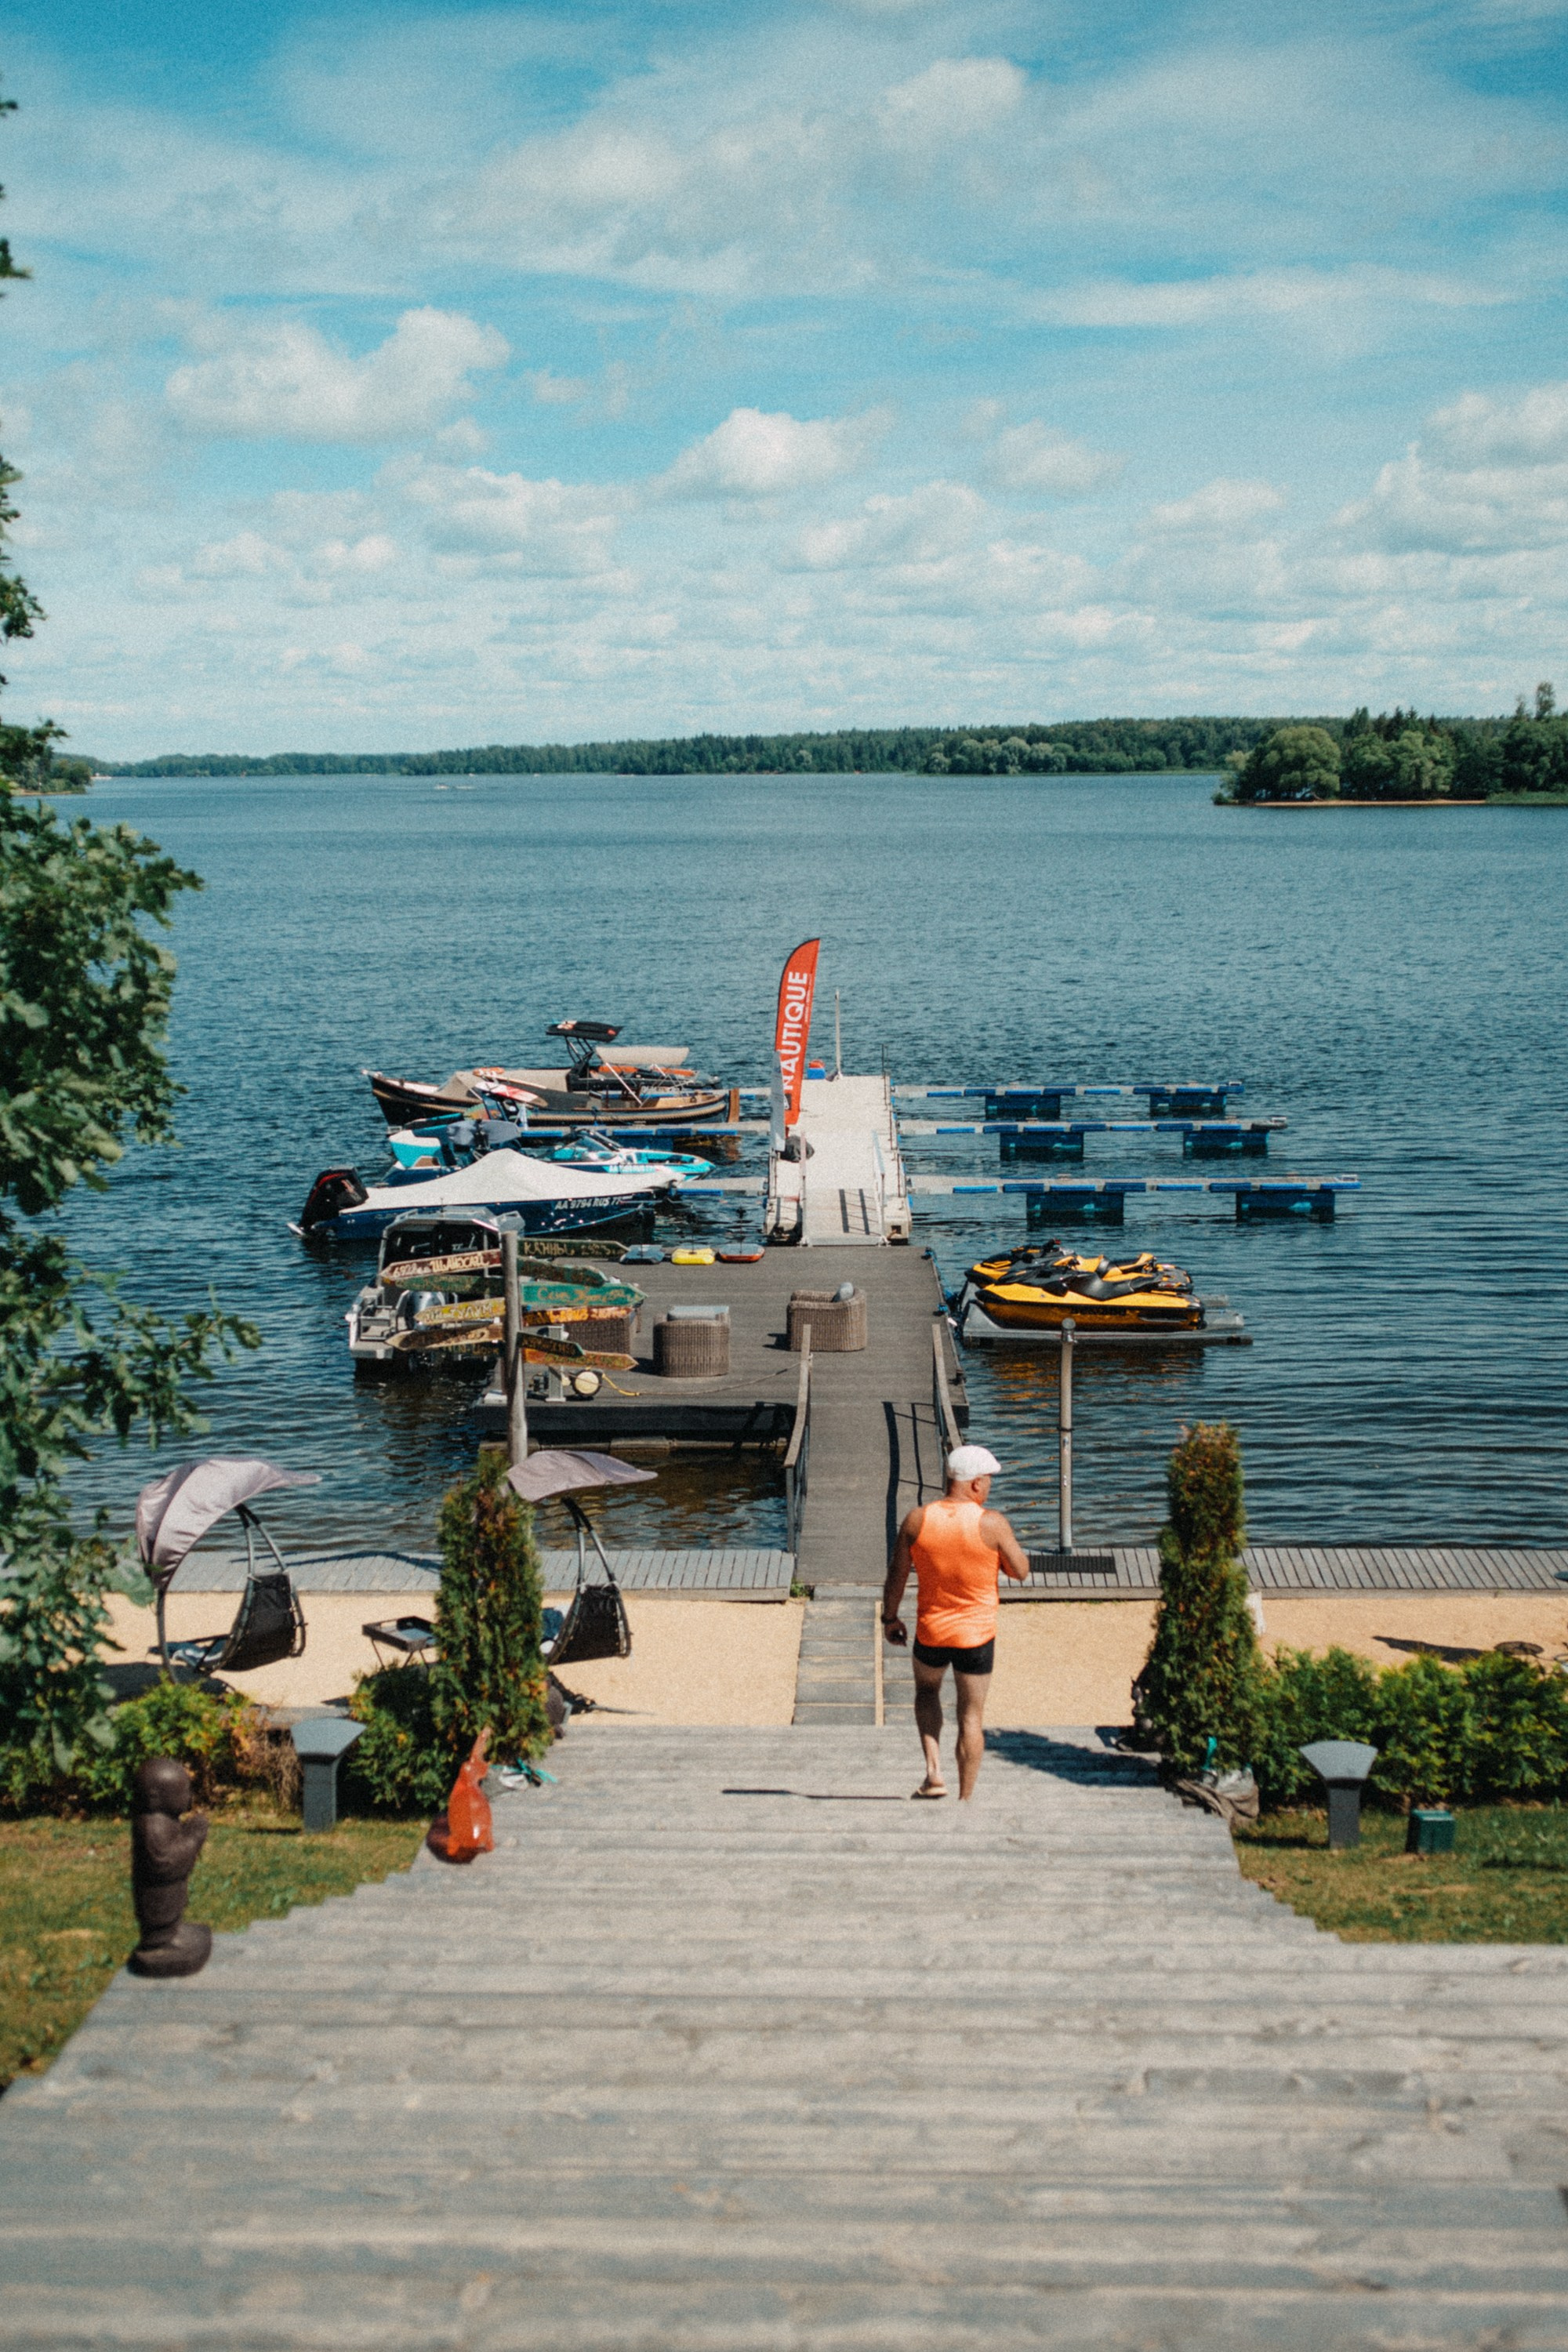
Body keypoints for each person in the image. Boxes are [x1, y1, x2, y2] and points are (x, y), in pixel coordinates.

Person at [882, 1443, 1029, 1801]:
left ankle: (934, 1772)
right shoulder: (992, 1524)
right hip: (976, 1638)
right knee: (971, 1716)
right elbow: (1021, 1571)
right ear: (976, 1484)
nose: (990, 1486)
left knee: (926, 1692)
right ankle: (966, 1799)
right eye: (989, 1480)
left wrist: (890, 1618)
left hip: (932, 1631)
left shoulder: (917, 1519)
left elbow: (897, 1576)